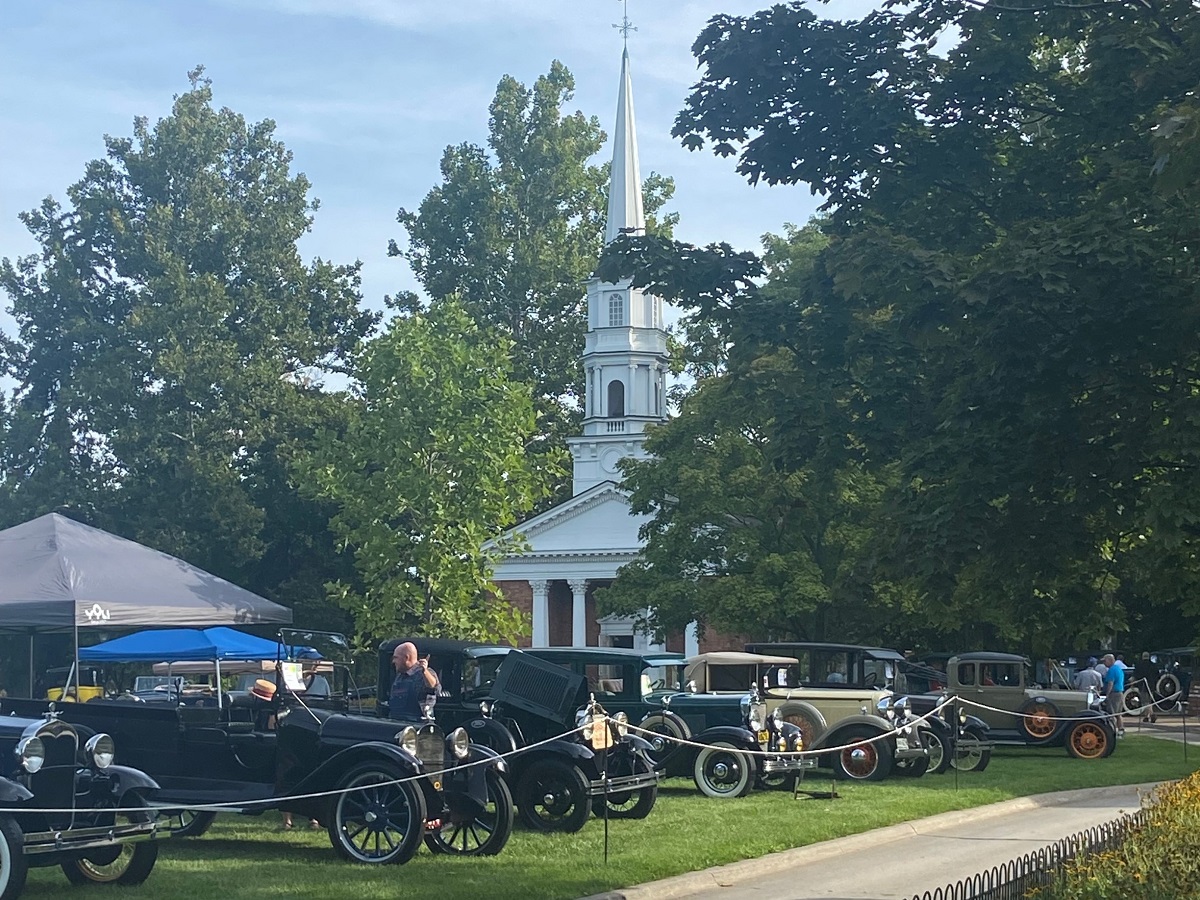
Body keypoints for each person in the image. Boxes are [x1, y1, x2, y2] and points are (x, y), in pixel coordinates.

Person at [389, 642, 439, 721]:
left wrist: (425, 672)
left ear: (406, 658)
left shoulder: (423, 673)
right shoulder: (400, 676)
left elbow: (433, 687)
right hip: (398, 723)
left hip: (418, 726)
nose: (393, 661)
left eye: (396, 658)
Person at [1102, 653, 1125, 737]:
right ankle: (1121, 730)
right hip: (1120, 693)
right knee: (1118, 714)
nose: (1104, 663)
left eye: (1105, 661)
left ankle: (1112, 731)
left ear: (1110, 660)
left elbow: (1110, 683)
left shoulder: (1111, 670)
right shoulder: (1118, 669)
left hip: (1114, 694)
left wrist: (1107, 694)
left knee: (1112, 714)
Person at [1133, 652, 1159, 723]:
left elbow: (1136, 675)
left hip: (1143, 685)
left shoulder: (1139, 665)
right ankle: (1146, 716)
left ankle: (1152, 715)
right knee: (1150, 701)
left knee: (1145, 702)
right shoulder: (1154, 666)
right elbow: (1157, 675)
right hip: (1152, 685)